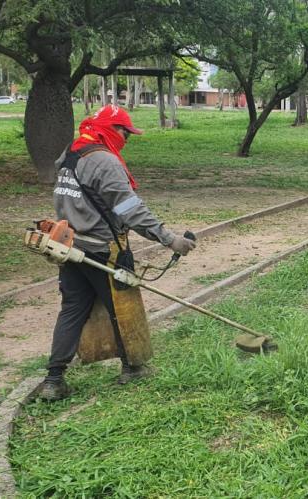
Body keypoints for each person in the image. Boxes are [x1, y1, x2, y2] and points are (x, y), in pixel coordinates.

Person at [36, 104, 196, 401]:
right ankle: (133, 367)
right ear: (113, 130)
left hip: (70, 247)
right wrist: (169, 239)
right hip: (104, 249)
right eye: (126, 133)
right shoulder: (104, 162)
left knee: (72, 310)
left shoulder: (72, 151)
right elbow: (129, 209)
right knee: (124, 307)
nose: (127, 139)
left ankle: (53, 380)